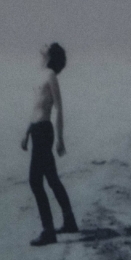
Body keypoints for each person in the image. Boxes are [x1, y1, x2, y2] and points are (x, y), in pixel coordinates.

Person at [20, 42, 78, 246]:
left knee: (35, 181)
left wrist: (60, 139)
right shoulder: (41, 75)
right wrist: (27, 132)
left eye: (47, 46)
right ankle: (70, 221)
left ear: (50, 55)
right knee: (51, 179)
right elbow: (35, 108)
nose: (42, 46)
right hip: (37, 130)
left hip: (44, 131)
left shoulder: (50, 75)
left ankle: (48, 231)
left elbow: (59, 108)